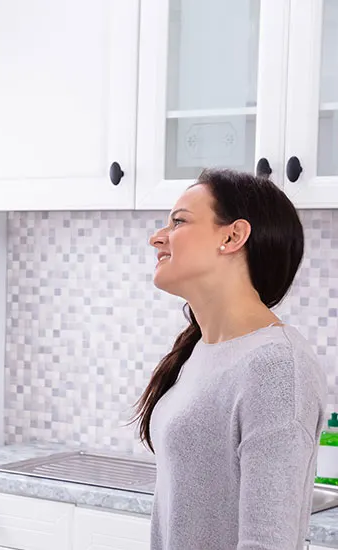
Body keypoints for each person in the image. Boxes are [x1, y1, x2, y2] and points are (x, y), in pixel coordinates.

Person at [134, 168, 326, 550]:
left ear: (232, 236)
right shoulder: (201, 351)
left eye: (178, 222)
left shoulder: (277, 366)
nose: (157, 237)